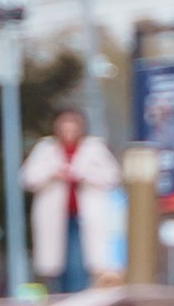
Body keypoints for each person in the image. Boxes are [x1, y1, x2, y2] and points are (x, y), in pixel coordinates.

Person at [21, 107, 121, 294]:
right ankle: (62, 294)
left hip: (85, 215)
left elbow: (111, 177)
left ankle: (77, 294)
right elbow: (28, 178)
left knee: (80, 260)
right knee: (57, 263)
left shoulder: (94, 148)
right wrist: (52, 173)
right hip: (55, 215)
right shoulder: (46, 148)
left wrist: (84, 175)